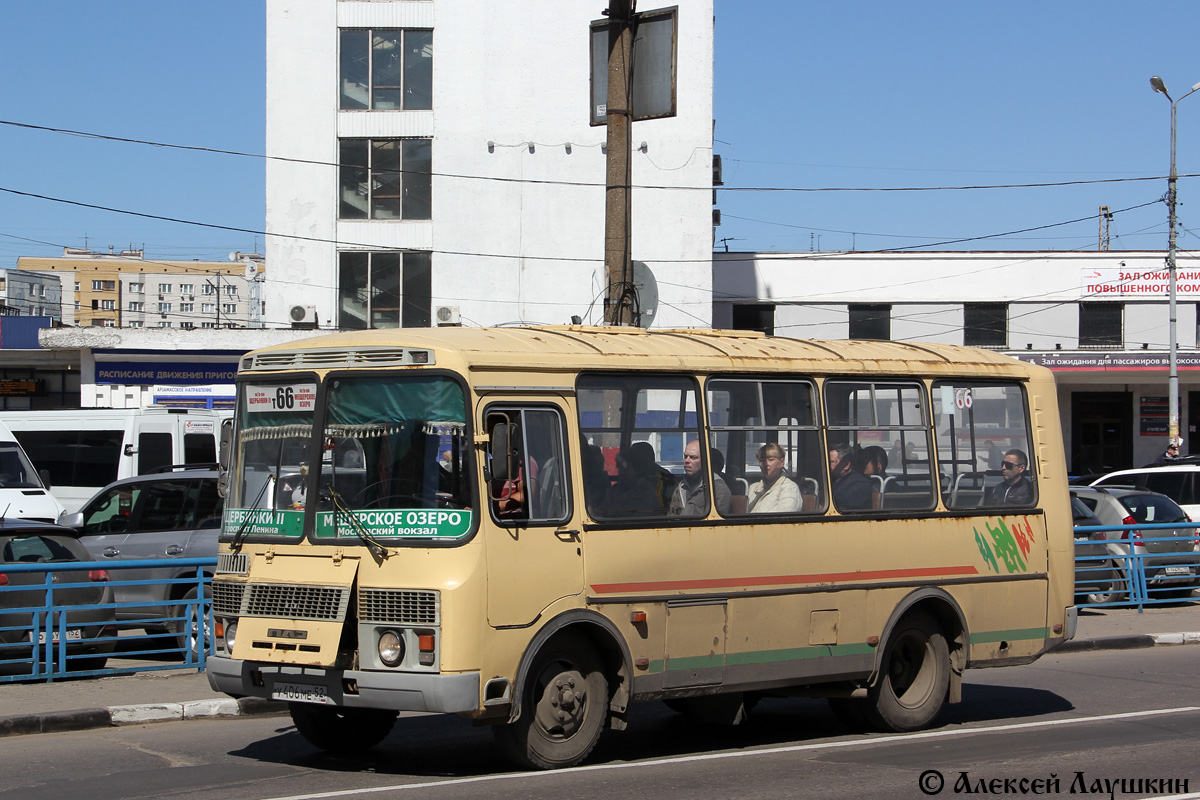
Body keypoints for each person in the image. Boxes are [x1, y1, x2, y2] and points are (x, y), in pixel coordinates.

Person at [669, 439, 731, 516]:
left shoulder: (718, 488)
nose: (687, 461)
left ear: (705, 460)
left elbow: (717, 523)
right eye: (685, 456)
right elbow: (671, 516)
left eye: (693, 457)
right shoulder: (681, 488)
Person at [746, 442, 801, 513]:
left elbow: (784, 519)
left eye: (771, 459)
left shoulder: (790, 488)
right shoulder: (753, 488)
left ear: (782, 462)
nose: (766, 464)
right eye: (762, 460)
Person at [829, 445, 873, 510]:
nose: (827, 465)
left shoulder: (861, 483)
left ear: (846, 465)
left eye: (831, 462)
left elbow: (846, 502)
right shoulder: (829, 481)